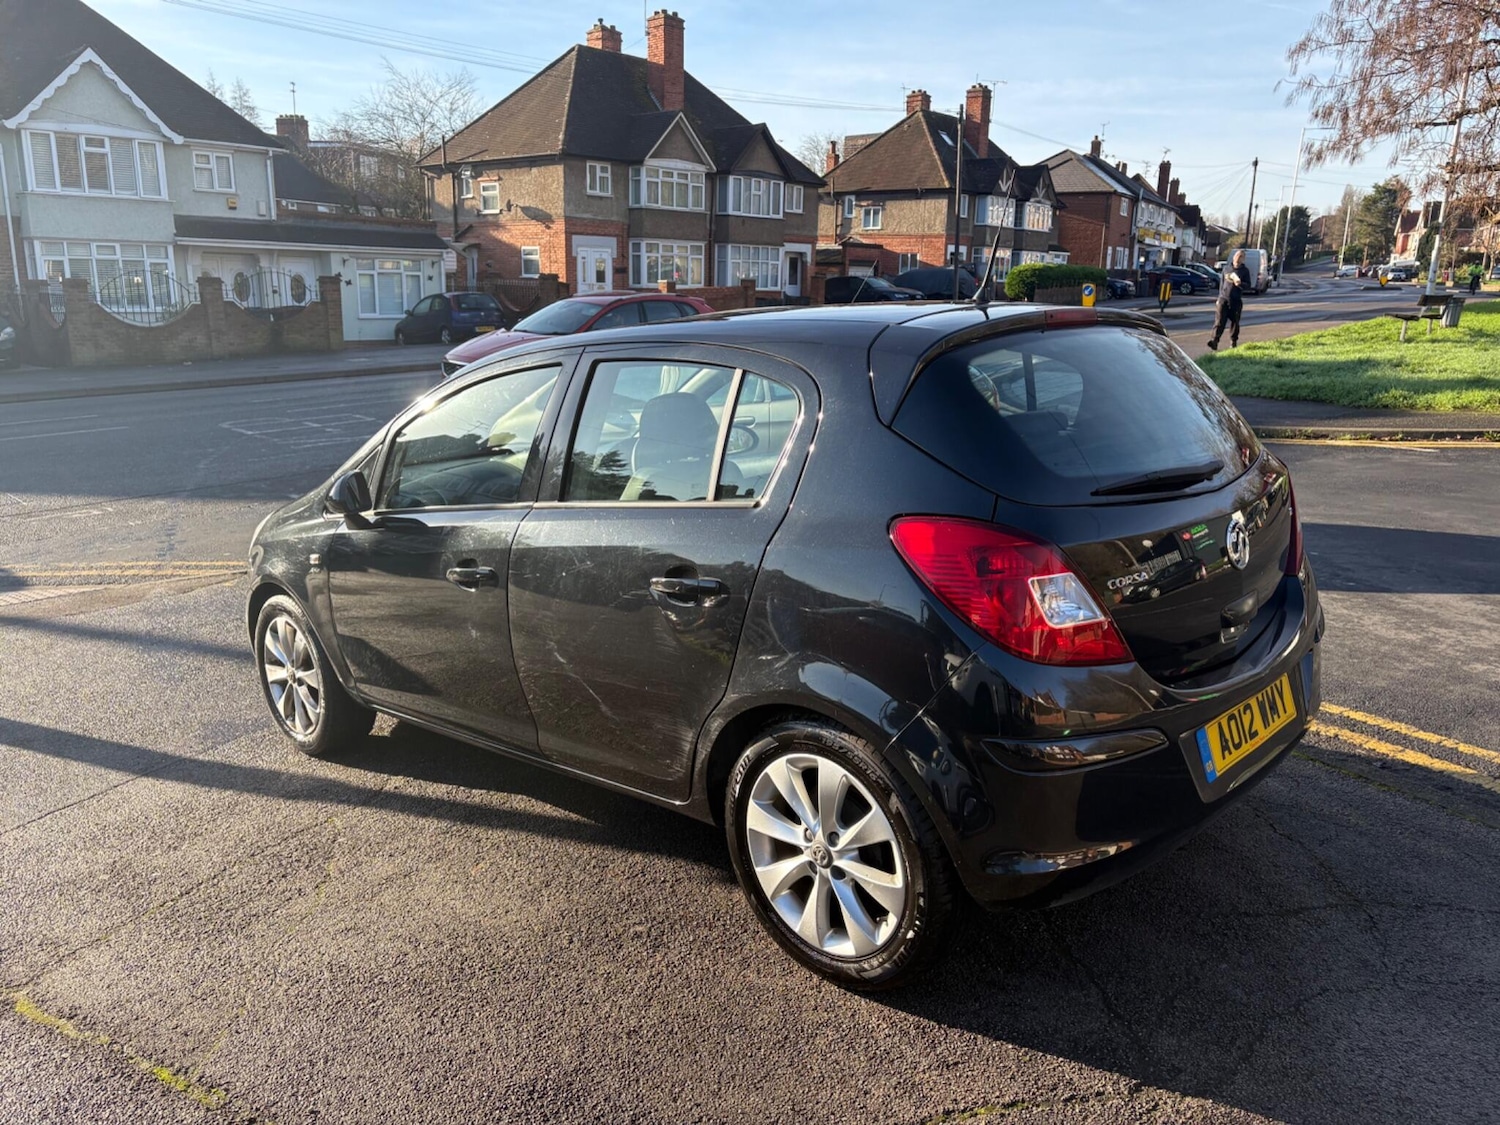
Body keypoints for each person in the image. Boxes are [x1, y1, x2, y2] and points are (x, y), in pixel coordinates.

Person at [1207, 249, 1252, 350]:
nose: (1238, 258)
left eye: (1241, 257)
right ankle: (1214, 341)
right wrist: (1219, 298)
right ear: (1233, 257)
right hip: (1223, 299)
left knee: (1234, 323)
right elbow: (1222, 284)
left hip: (1235, 300)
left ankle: (1233, 342)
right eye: (1237, 256)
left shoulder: (1245, 271)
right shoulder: (1227, 269)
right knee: (1219, 321)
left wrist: (1241, 284)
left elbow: (1248, 286)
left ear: (1243, 259)